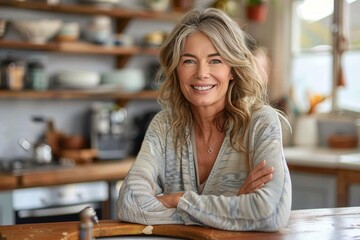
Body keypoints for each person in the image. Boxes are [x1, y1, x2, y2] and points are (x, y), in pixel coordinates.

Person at [116, 8, 292, 231]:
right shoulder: (165, 125)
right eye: (189, 61)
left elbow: (271, 213)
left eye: (215, 60)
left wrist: (177, 200)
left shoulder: (260, 122)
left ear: (232, 70)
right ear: (176, 69)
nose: (201, 73)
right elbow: (129, 204)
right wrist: (232, 209)